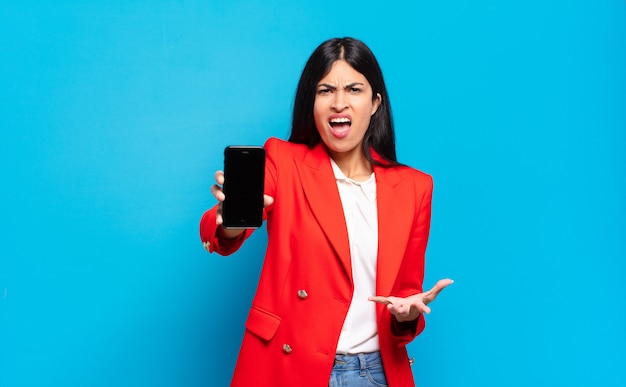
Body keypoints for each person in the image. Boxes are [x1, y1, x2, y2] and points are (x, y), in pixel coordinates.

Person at [200, 37, 453, 387]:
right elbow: (225, 233)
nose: (339, 103)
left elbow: (407, 296)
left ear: (375, 102)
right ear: (312, 102)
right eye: (325, 91)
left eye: (354, 89)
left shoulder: (414, 187)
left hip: (375, 374)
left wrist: (406, 315)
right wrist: (228, 219)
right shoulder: (283, 162)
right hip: (289, 369)